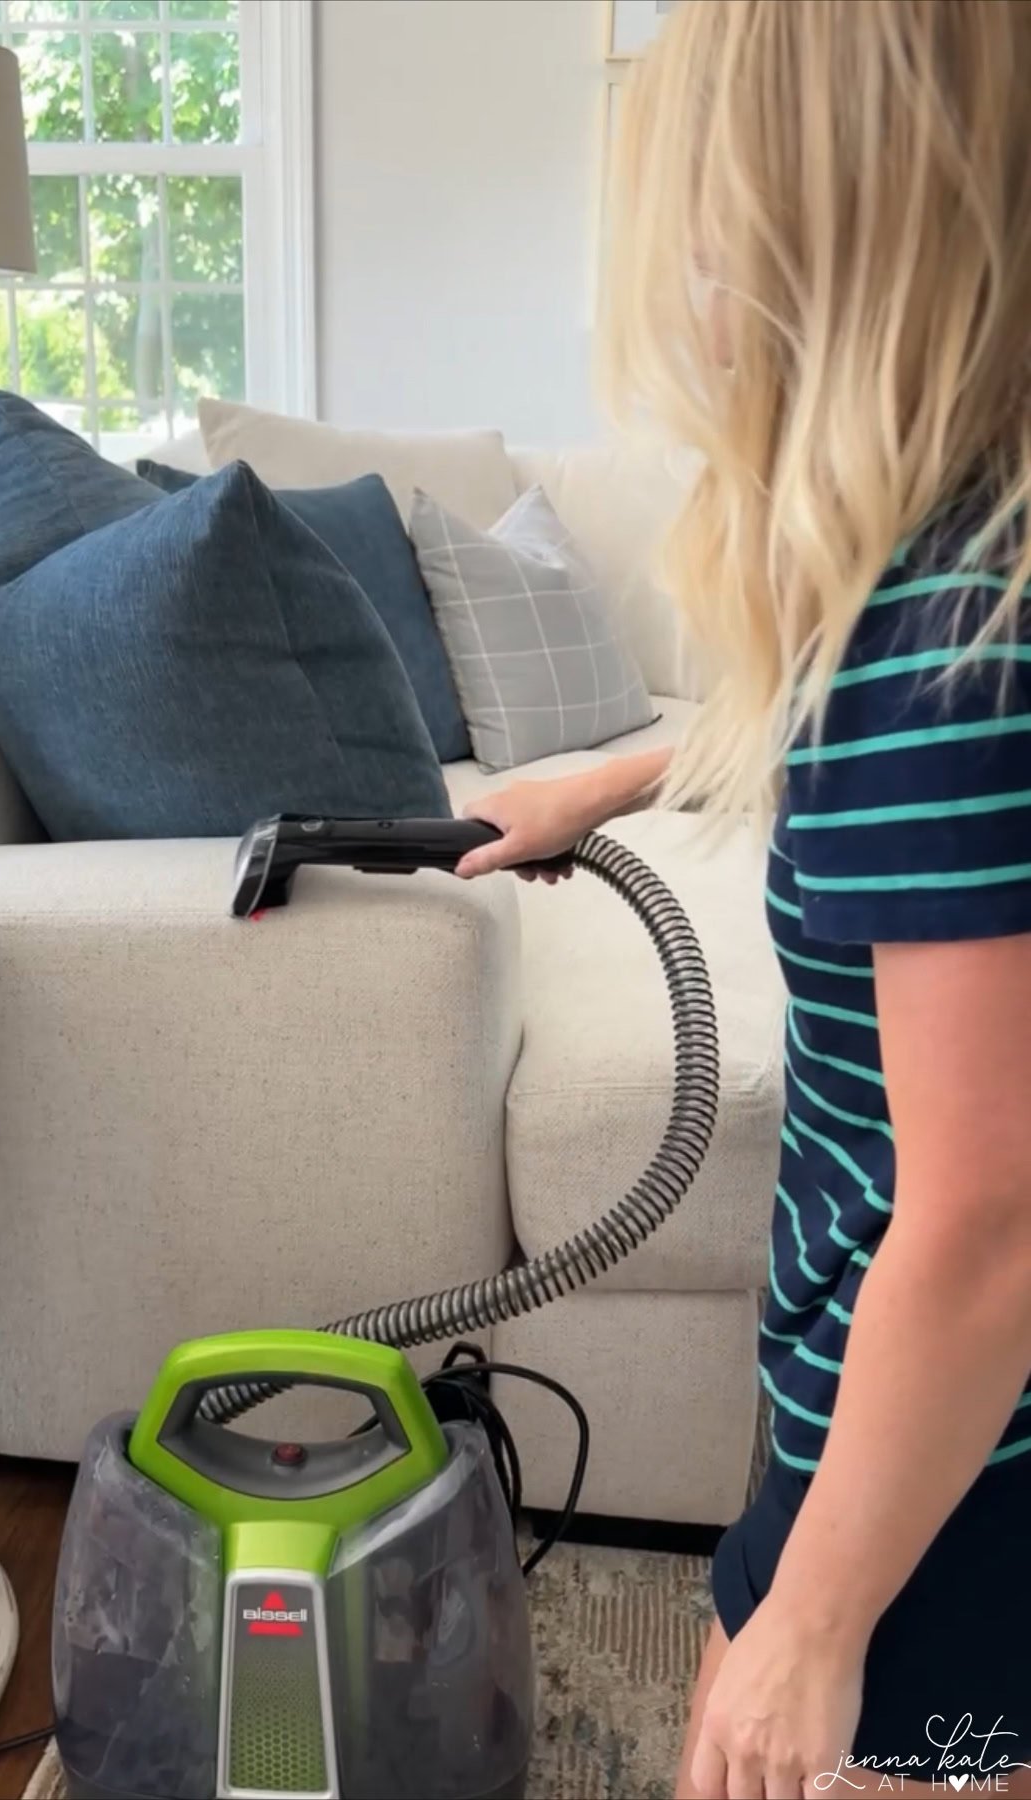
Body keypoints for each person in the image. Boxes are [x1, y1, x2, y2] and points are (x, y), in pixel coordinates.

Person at [454, 3, 1031, 1796]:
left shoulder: (944, 646)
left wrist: (820, 1623)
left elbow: (994, 1218)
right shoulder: (971, 568)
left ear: (812, 225)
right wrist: (611, 773)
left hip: (947, 1465)